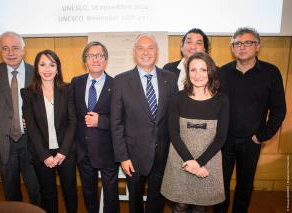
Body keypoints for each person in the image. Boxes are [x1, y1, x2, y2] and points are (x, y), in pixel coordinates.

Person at [214, 27, 286, 213]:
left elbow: (279, 109)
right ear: (232, 48)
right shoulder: (222, 73)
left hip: (251, 141)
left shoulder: (271, 72)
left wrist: (263, 135)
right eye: (237, 43)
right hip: (224, 141)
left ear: (258, 46)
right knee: (219, 186)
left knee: (245, 186)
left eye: (248, 42)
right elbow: (213, 107)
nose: (242, 47)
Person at [111, 33, 178, 213]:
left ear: (157, 51)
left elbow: (174, 117)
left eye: (150, 48)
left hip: (163, 153)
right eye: (141, 48)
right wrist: (123, 157)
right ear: (134, 52)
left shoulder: (170, 79)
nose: (146, 52)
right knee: (135, 202)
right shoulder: (121, 81)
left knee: (157, 200)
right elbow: (116, 123)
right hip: (133, 155)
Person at [161, 52, 229, 213]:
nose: (197, 75)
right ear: (187, 73)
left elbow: (221, 138)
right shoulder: (177, 98)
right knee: (180, 206)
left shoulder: (222, 100)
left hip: (208, 160)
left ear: (210, 72)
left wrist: (198, 163)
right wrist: (190, 161)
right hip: (180, 158)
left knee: (201, 205)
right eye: (193, 70)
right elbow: (174, 133)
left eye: (203, 70)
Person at [0, 31, 41, 204]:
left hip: (32, 143)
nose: (10, 53)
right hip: (3, 146)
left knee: (37, 191)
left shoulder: (37, 73)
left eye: (15, 48)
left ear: (23, 50)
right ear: (0, 51)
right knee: (11, 194)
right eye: (5, 48)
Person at [21, 49, 77, 213]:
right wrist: (45, 155)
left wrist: (62, 152)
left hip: (65, 152)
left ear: (57, 68)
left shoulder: (67, 89)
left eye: (52, 65)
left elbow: (72, 121)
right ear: (36, 68)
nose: (47, 69)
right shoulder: (28, 93)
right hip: (41, 152)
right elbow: (31, 126)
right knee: (48, 193)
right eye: (43, 64)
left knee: (70, 191)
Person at [71, 41, 120, 213]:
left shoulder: (116, 85)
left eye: (99, 55)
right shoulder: (76, 83)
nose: (95, 59)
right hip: (83, 151)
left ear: (105, 60)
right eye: (91, 55)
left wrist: (101, 122)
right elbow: (70, 115)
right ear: (85, 60)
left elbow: (121, 118)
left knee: (111, 196)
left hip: (108, 150)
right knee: (89, 194)